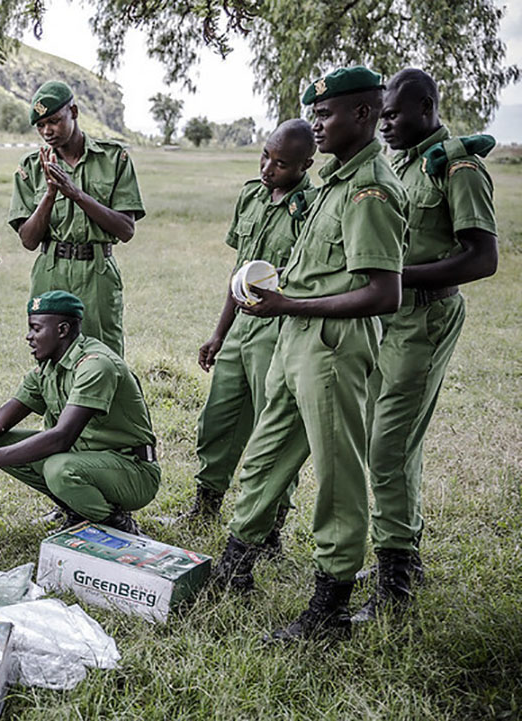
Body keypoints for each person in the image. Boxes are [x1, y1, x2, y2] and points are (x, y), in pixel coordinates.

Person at [211, 67, 406, 643]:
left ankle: (330, 606)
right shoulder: (331, 184)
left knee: (337, 475)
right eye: (314, 114)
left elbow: (383, 291)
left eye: (326, 115)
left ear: (364, 115)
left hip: (332, 348)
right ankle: (235, 565)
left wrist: (290, 303)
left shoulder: (371, 188)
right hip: (296, 340)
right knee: (267, 456)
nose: (316, 125)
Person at [352, 68, 498, 622]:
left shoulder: (459, 165)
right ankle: (400, 549)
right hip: (388, 319)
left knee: (389, 446)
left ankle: (397, 578)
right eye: (379, 115)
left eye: (392, 114)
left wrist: (395, 276)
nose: (383, 124)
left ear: (427, 107)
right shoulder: (404, 163)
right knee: (382, 441)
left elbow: (482, 258)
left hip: (427, 317)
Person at [162, 120, 317, 558]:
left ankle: (271, 529)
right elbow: (240, 273)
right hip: (242, 328)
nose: (269, 168)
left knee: (275, 430)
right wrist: (218, 333)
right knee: (219, 419)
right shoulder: (251, 195)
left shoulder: (312, 207)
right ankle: (205, 504)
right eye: (265, 156)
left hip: (281, 328)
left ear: (306, 165)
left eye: (282, 163)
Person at [0, 291, 160, 535]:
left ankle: (116, 523)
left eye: (35, 329)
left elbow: (62, 437)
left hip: (132, 470)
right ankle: (78, 511)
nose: (28, 337)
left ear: (62, 330)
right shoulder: (47, 370)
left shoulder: (95, 366)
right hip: (86, 460)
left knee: (58, 468)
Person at [8, 80, 145, 357]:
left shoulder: (113, 158)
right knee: (49, 356)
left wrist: (76, 194)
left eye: (55, 121)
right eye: (41, 125)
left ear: (74, 111)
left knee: (103, 355)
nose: (48, 131)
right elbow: (29, 240)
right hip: (51, 269)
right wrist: (49, 194)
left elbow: (126, 229)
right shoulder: (31, 166)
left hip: (97, 270)